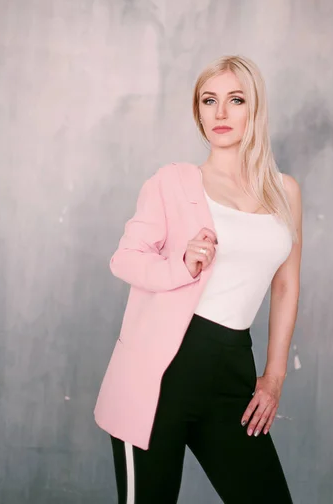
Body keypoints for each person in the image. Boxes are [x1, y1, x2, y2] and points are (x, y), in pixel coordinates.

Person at [94, 55, 302, 503]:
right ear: (199, 111)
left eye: (235, 100)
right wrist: (181, 266)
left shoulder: (284, 192)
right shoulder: (171, 183)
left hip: (232, 372)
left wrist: (274, 375)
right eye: (210, 101)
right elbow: (124, 260)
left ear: (256, 109)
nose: (221, 113)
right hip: (159, 373)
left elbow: (285, 286)